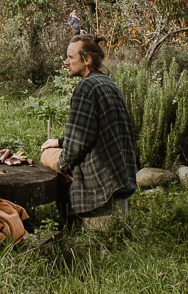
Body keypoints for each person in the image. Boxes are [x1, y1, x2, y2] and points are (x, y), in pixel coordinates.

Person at [40, 34, 137, 226]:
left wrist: (62, 164)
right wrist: (60, 142)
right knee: (55, 150)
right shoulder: (110, 84)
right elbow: (95, 132)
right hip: (121, 174)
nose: (66, 62)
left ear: (87, 60)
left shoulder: (86, 87)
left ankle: (69, 219)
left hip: (100, 178)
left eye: (71, 57)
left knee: (47, 156)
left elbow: (77, 146)